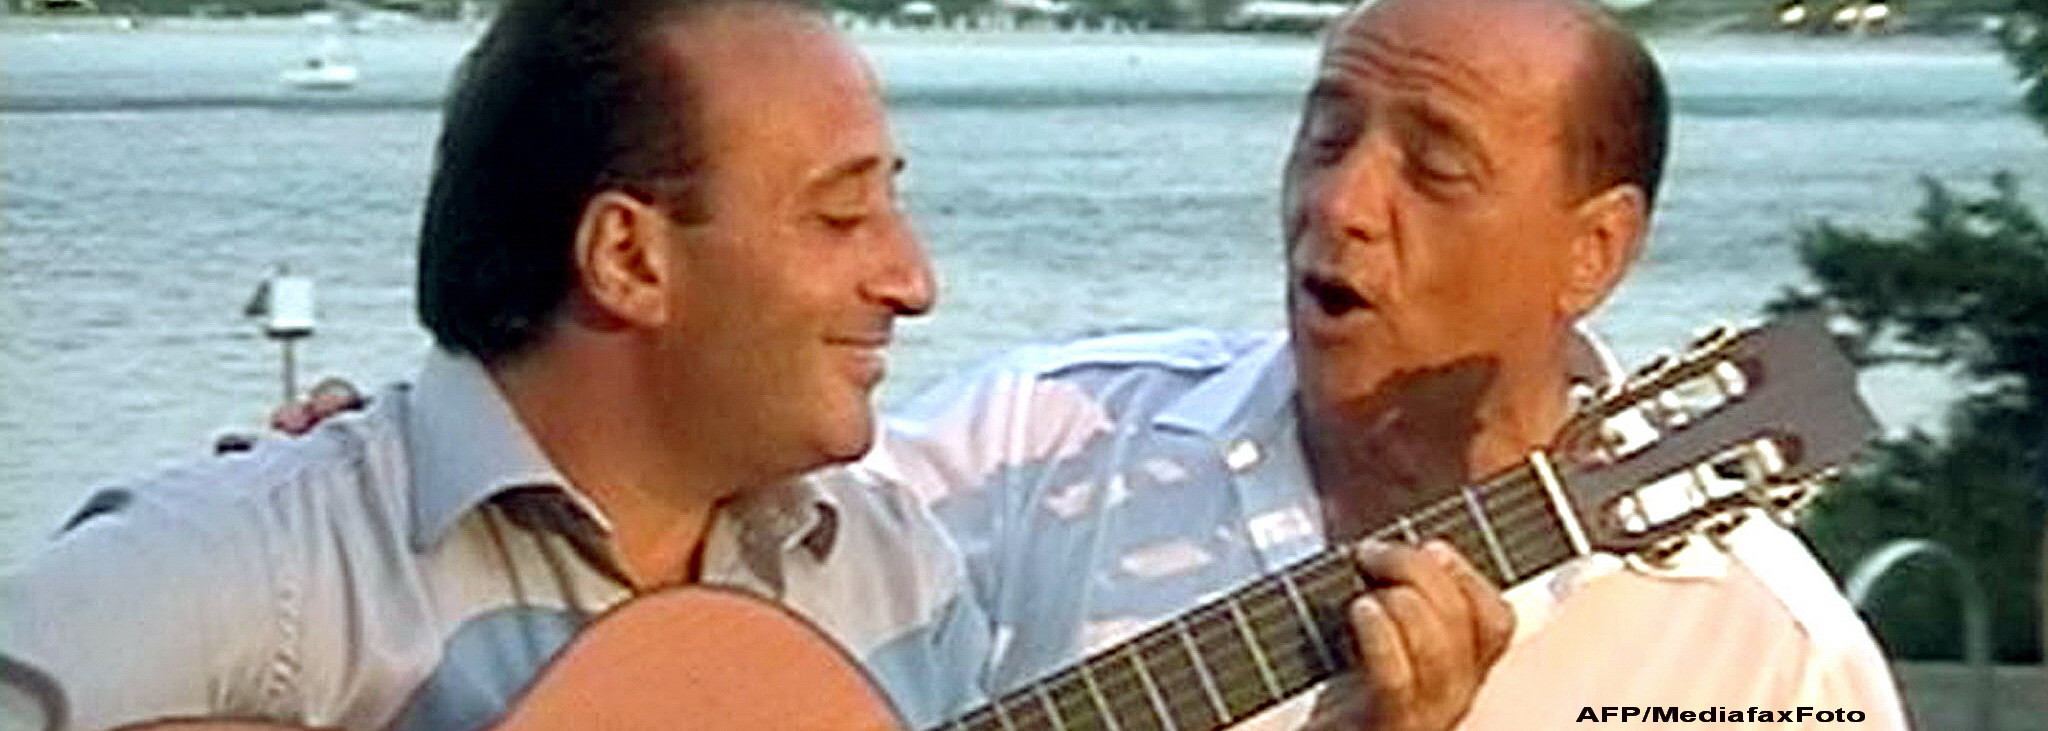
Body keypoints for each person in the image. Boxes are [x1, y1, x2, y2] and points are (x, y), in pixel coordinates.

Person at [0, 0, 1508, 729]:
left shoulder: (891, 569)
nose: (913, 278)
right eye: (843, 215)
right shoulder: (254, 567)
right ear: (629, 257)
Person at [862, 0, 1911, 727]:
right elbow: (759, 586)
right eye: (1325, 139)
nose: (1339, 203)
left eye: (1436, 166)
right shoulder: (1033, 445)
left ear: (1592, 250)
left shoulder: (1770, 661)